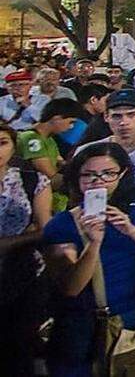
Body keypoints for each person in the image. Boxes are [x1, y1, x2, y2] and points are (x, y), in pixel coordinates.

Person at [43, 143, 135, 376]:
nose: (98, 181)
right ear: (76, 177)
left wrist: (131, 229)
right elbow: (71, 287)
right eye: (88, 175)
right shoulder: (62, 224)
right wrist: (93, 244)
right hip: (86, 326)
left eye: (108, 173)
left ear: (122, 173)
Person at [0, 123, 52, 376]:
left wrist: (11, 243)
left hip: (25, 273)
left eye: (3, 143)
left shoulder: (31, 180)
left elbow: (47, 230)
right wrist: (26, 235)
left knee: (19, 344)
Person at [19, 97, 86, 213]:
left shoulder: (50, 140)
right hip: (37, 204)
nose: (71, 127)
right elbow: (50, 174)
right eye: (71, 122)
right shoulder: (31, 139)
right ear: (56, 118)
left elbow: (62, 164)